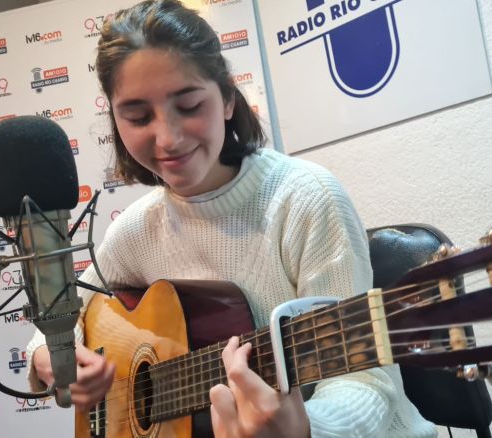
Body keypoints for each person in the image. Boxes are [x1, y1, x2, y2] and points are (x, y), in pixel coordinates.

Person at [27, 1, 437, 436]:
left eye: (188, 105)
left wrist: (307, 428)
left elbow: (366, 380)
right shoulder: (134, 231)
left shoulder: (305, 198)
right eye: (138, 116)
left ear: (226, 98)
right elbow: (64, 311)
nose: (167, 137)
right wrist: (48, 354)